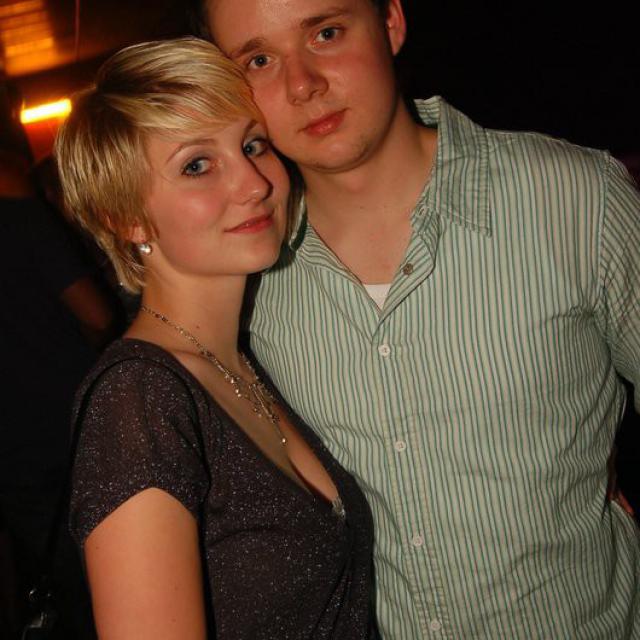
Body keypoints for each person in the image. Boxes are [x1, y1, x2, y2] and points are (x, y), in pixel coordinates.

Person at [190, 0, 640, 637]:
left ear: (392, 23)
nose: (302, 84)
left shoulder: (574, 199)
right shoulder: (242, 278)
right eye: (259, 60)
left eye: (326, 32)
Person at [55, 37, 377, 640]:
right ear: (126, 218)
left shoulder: (247, 361)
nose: (254, 183)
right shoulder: (138, 399)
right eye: (197, 165)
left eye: (252, 145)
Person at [0, 148, 119, 640]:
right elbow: (97, 315)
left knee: (73, 593)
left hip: (15, 450)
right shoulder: (20, 217)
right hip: (78, 420)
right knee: (124, 572)